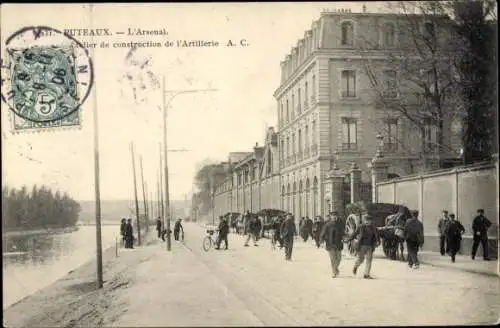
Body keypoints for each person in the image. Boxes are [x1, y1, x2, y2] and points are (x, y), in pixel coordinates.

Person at [346, 214, 379, 279]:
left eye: (369, 221)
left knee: (369, 260)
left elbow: (376, 236)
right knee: (361, 260)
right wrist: (348, 239)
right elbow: (354, 234)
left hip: (370, 246)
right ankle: (356, 266)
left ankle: (366, 274)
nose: (367, 222)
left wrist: (377, 242)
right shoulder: (361, 227)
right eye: (366, 220)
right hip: (361, 246)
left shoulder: (373, 228)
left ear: (371, 221)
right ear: (364, 221)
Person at [320, 211, 345, 278]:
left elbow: (343, 233)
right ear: (330, 217)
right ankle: (334, 272)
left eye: (335, 216)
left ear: (337, 217)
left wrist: (344, 238)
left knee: (339, 258)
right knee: (333, 259)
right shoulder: (327, 225)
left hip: (338, 243)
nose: (334, 217)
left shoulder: (340, 224)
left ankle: (335, 268)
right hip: (330, 243)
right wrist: (322, 241)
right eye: (333, 216)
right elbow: (323, 233)